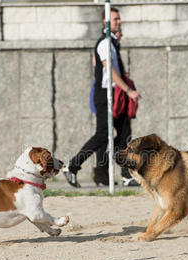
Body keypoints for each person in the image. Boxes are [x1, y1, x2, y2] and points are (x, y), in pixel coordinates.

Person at [63, 7, 141, 188]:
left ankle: (124, 175)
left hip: (115, 94)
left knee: (124, 133)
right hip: (106, 94)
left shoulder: (112, 43)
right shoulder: (105, 43)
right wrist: (129, 90)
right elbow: (110, 71)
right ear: (105, 22)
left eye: (119, 19)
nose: (119, 22)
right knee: (103, 135)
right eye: (115, 20)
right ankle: (73, 165)